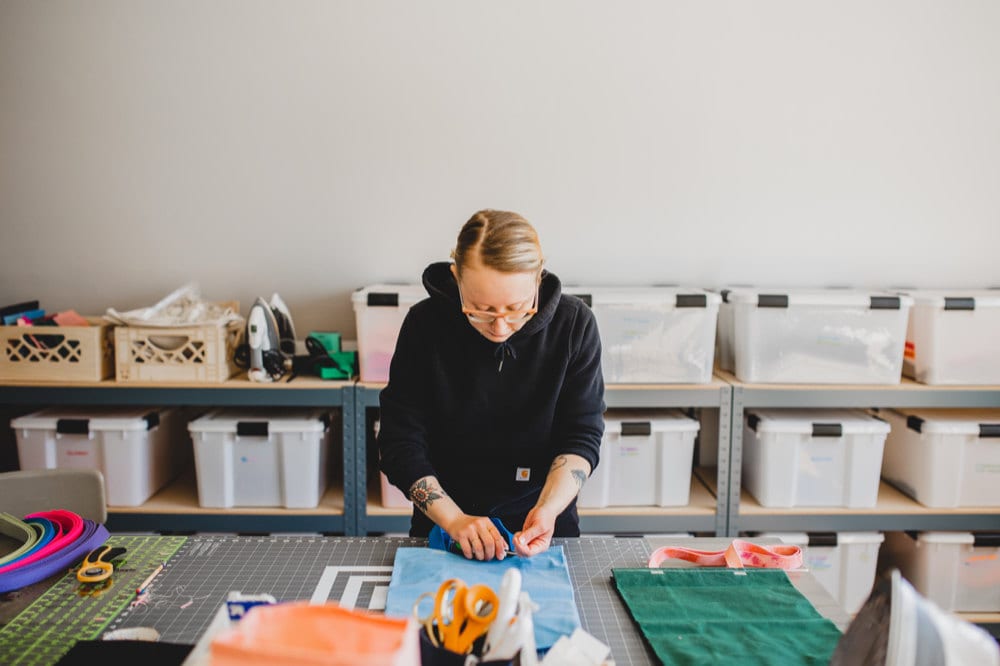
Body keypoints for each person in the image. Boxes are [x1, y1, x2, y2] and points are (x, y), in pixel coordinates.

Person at [377, 209, 605, 561]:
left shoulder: (574, 326)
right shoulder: (425, 326)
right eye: (481, 309)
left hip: (542, 529)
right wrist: (454, 521)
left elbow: (581, 437)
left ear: (538, 280)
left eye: (516, 308)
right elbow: (399, 442)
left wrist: (547, 511)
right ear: (456, 278)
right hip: (444, 528)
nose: (499, 328)